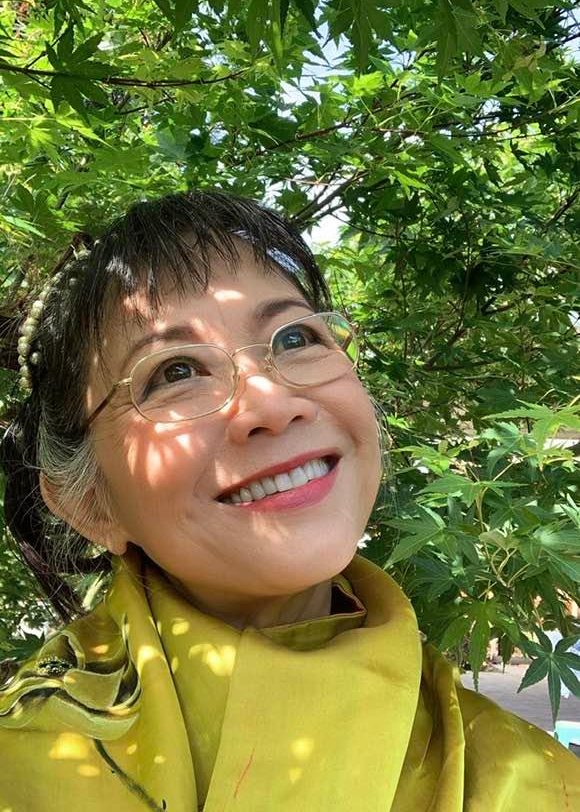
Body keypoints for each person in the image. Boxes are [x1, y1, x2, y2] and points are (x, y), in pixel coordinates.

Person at [0, 189, 578, 812]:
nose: (272, 405)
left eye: (296, 337)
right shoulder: (22, 770)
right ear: (90, 504)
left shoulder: (537, 782)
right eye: (175, 372)